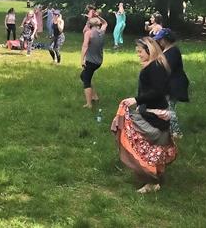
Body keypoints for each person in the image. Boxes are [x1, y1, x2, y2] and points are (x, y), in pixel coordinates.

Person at [110, 37, 177, 193]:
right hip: (152, 112)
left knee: (142, 145)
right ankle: (155, 179)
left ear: (149, 50)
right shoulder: (155, 66)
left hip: (154, 115)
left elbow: (157, 92)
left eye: (140, 51)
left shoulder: (154, 67)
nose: (138, 54)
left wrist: (136, 99)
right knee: (152, 146)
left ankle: (151, 181)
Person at [154, 29, 190, 139]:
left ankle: (177, 133)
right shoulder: (167, 50)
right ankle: (168, 130)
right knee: (166, 107)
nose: (159, 42)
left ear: (166, 40)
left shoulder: (173, 51)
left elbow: (167, 69)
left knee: (170, 109)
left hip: (174, 85)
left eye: (160, 40)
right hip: (169, 84)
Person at [80, 16, 107, 108]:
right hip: (99, 61)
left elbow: (85, 46)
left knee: (86, 80)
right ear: (98, 24)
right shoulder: (102, 31)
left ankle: (89, 104)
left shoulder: (89, 33)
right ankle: (94, 96)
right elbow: (105, 23)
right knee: (83, 76)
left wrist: (82, 59)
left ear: (89, 25)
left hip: (90, 61)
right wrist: (98, 16)